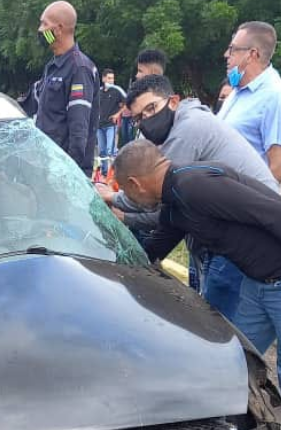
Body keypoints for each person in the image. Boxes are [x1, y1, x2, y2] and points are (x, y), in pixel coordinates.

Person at [97, 74, 278, 320]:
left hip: (264, 261)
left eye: (151, 109)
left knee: (218, 324)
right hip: (247, 264)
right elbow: (162, 235)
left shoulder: (190, 178)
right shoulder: (177, 198)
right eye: (139, 118)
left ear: (173, 101)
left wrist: (118, 204)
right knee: (234, 343)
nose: (146, 121)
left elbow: (267, 211)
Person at [112, 139, 281, 380]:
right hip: (256, 285)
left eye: (125, 191)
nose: (128, 199)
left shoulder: (195, 185)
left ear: (134, 184)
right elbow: (154, 249)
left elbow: (272, 213)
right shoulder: (175, 204)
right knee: (237, 361)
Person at [35, 1, 100, 177]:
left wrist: (68, 175)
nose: (40, 30)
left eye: (44, 24)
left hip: (65, 172)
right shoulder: (53, 66)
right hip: (47, 165)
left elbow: (79, 130)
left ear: (59, 29)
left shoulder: (79, 68)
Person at [217, 21, 281, 182]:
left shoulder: (274, 96)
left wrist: (251, 202)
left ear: (252, 54)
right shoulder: (237, 89)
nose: (226, 54)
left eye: (233, 49)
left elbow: (278, 167)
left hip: (245, 201)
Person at [97, 68, 125, 176]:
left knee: (111, 151)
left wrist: (118, 114)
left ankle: (114, 174)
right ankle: (104, 173)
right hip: (99, 126)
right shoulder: (98, 92)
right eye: (109, 78)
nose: (111, 81)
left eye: (112, 78)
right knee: (102, 151)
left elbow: (127, 103)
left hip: (111, 125)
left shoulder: (117, 91)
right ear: (103, 79)